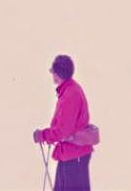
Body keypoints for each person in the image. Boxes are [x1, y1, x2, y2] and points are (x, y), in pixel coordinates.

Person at [33, 54, 93, 191]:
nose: (52, 74)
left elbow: (63, 131)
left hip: (73, 156)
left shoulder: (70, 95)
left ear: (58, 74)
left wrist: (43, 135)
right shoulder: (69, 89)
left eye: (53, 71)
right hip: (72, 153)